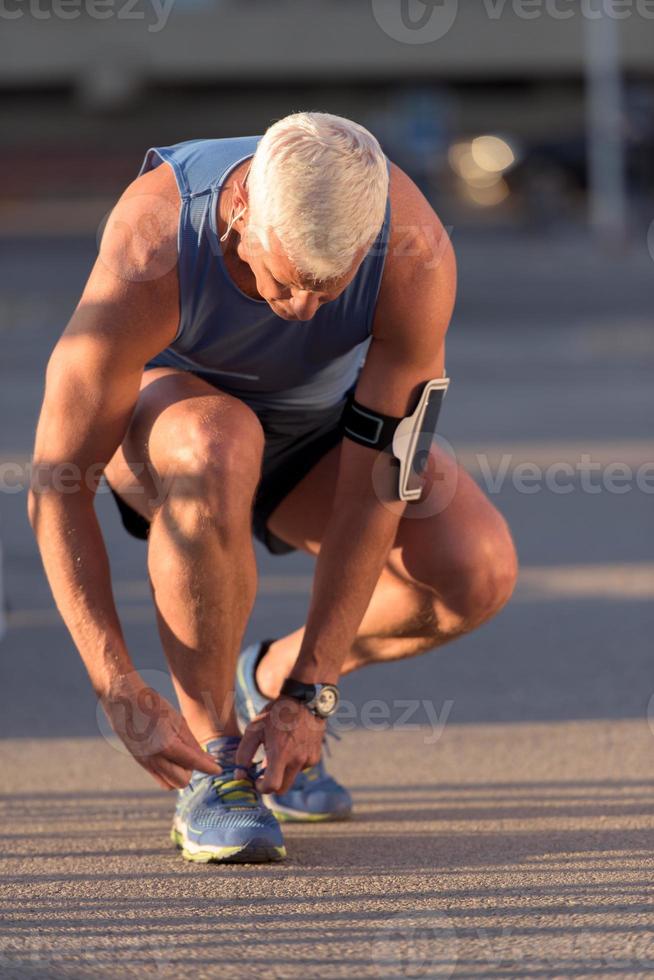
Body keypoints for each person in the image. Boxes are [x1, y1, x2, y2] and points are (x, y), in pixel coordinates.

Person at [29, 112, 517, 864]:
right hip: (171, 433)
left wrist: (309, 689)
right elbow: (58, 483)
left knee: (473, 569)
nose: (301, 311)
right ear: (242, 212)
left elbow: (376, 482)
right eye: (285, 281)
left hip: (311, 435)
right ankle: (216, 759)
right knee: (219, 440)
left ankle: (267, 680)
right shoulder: (153, 241)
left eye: (331, 289)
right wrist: (117, 683)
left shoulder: (413, 252)